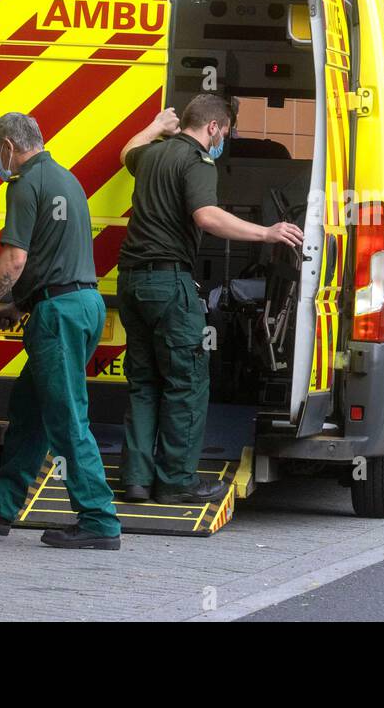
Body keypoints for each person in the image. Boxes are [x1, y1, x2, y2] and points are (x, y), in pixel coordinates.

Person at [0, 109, 175, 550]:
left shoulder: (26, 184)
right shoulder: (67, 180)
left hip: (59, 316)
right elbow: (55, 259)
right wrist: (19, 304)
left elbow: (13, 259)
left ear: (9, 148)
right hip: (78, 305)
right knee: (30, 413)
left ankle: (99, 520)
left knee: (68, 419)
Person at [116, 94, 303, 504]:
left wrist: (155, 126)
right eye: (227, 130)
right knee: (187, 383)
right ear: (213, 128)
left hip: (131, 283)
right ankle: (177, 482)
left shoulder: (153, 155)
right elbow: (207, 216)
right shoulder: (198, 161)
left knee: (145, 383)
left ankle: (136, 480)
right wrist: (268, 232)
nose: (226, 139)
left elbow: (126, 151)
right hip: (169, 285)